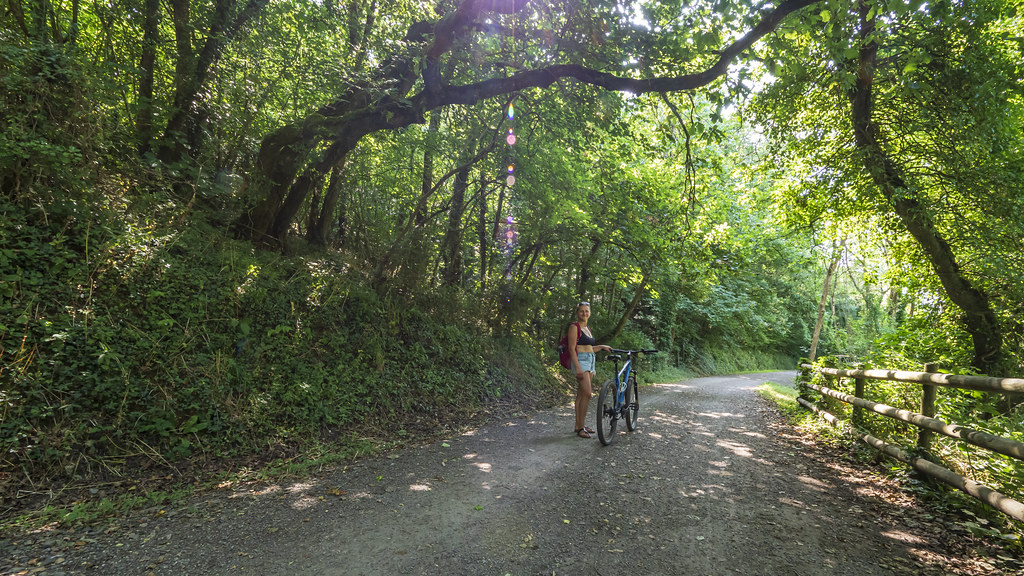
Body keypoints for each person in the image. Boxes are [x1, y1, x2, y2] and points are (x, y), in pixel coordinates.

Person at [568, 301, 611, 438]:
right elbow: (572, 349)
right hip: (581, 361)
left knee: (581, 394)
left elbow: (589, 348)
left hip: (590, 360)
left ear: (590, 313)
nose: (584, 313)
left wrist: (602, 346)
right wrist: (578, 368)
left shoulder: (587, 329)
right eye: (582, 311)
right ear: (577, 313)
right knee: (587, 393)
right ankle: (580, 428)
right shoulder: (574, 327)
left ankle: (579, 425)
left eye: (587, 311)